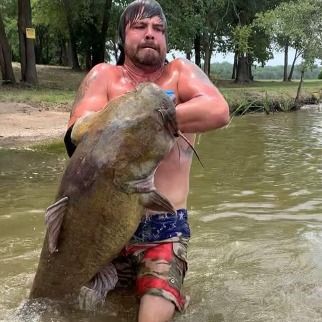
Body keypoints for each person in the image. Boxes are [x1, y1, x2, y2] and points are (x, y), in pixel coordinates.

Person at [64, 0, 230, 321]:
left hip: (164, 228)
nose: (151, 34)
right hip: (104, 228)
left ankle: (171, 288)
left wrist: (145, 119)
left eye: (158, 28)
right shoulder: (104, 76)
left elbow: (217, 110)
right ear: (122, 37)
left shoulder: (180, 73)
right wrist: (142, 119)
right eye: (140, 27)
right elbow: (77, 132)